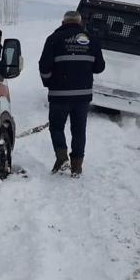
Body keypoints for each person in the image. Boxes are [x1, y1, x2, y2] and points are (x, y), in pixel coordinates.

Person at [38, 11, 105, 178]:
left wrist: (48, 82)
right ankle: (77, 167)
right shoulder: (92, 40)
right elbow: (99, 67)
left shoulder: (53, 39)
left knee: (56, 127)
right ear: (80, 23)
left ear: (63, 22)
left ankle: (62, 158)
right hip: (82, 95)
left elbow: (44, 66)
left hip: (59, 94)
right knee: (79, 130)